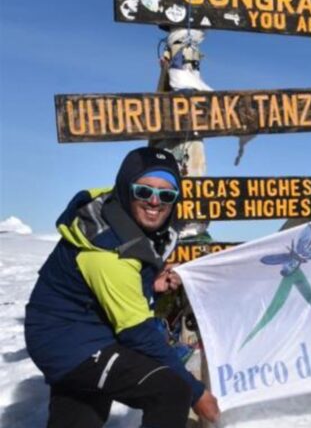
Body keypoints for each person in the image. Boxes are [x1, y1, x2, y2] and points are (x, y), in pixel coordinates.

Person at [25, 146, 220, 428]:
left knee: (81, 415)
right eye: (144, 191)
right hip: (73, 340)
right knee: (172, 390)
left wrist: (150, 285)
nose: (155, 201)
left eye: (167, 195)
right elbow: (137, 332)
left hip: (73, 330)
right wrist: (196, 391)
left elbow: (106, 288)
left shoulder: (118, 215)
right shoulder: (108, 251)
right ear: (127, 187)